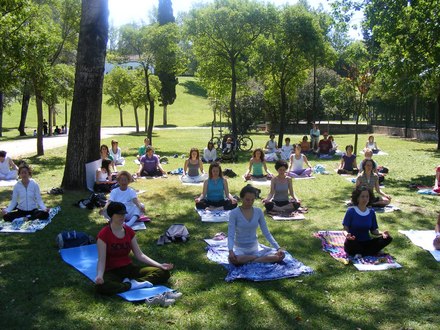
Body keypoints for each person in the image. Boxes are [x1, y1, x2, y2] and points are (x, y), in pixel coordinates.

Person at [95, 201, 179, 304]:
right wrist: (99, 275)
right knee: (101, 287)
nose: (122, 216)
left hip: (129, 268)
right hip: (112, 271)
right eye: (119, 214)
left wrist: (160, 265)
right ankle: (134, 285)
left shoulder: (129, 231)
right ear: (111, 215)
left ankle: (132, 284)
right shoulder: (103, 235)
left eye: (123, 214)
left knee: (163, 272)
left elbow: (140, 255)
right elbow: (101, 260)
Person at [228, 185, 285, 266]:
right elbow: (230, 234)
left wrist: (278, 248)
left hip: (255, 248)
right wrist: (230, 251)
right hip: (240, 249)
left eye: (252, 200)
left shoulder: (258, 211)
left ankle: (252, 259)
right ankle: (258, 258)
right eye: (247, 200)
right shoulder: (234, 213)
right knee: (234, 260)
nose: (250, 202)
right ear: (241, 198)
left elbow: (266, 232)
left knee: (281, 256)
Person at [343, 186, 392, 256]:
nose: (365, 199)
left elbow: (374, 231)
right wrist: (347, 235)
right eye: (362, 196)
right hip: (354, 243)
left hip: (367, 243)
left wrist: (382, 233)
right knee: (352, 243)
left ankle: (363, 253)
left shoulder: (371, 212)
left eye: (367, 197)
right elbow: (345, 229)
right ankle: (369, 252)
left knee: (388, 238)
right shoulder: (351, 211)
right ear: (357, 198)